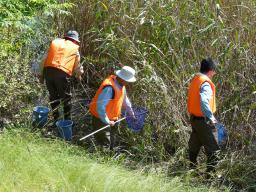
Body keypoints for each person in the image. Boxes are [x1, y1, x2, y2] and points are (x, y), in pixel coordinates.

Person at [39, 30, 84, 123]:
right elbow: (78, 68)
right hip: (62, 74)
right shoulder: (74, 48)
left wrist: (41, 75)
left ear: (66, 37)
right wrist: (79, 76)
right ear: (75, 40)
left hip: (48, 72)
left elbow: (43, 60)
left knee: (53, 97)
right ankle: (67, 121)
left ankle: (56, 120)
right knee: (66, 99)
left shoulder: (55, 44)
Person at [89, 66, 136, 149]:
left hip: (114, 119)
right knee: (104, 144)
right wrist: (107, 121)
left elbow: (125, 101)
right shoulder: (109, 88)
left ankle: (109, 158)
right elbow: (100, 106)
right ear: (122, 78)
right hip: (101, 119)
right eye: (128, 80)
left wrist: (131, 114)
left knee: (112, 142)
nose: (128, 83)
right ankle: (102, 160)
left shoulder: (122, 86)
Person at [187, 57, 219, 174]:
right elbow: (204, 101)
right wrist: (211, 118)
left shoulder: (196, 79)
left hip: (194, 119)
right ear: (211, 70)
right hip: (204, 121)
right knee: (214, 150)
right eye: (214, 71)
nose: (214, 73)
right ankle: (210, 179)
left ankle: (192, 171)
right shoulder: (205, 82)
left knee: (194, 144)